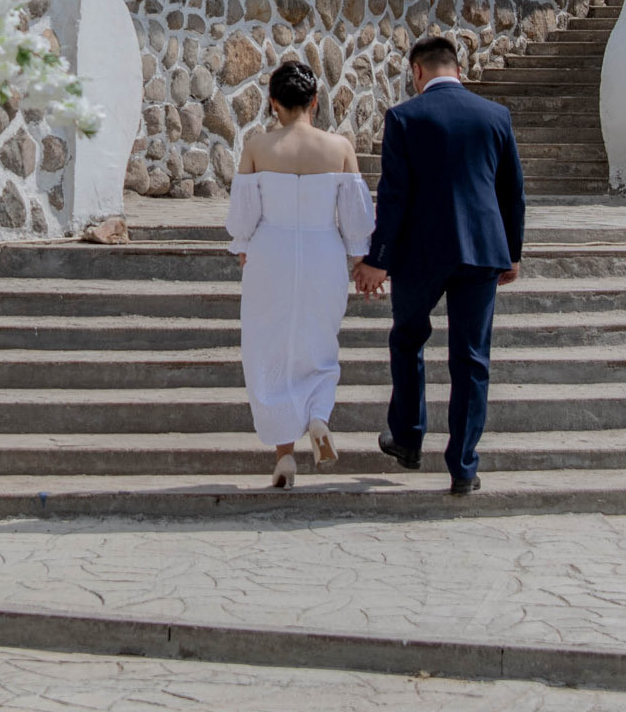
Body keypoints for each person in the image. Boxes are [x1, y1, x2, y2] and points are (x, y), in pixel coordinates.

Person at [354, 33, 525, 497]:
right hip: (482, 252)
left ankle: (408, 438)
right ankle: (463, 467)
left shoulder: (404, 117)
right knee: (472, 358)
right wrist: (511, 252)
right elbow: (512, 191)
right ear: (458, 68)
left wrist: (378, 260)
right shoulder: (496, 115)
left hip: (420, 253)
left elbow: (393, 196)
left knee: (408, 338)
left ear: (417, 71)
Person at [224, 57, 375, 487]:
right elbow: (356, 217)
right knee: (319, 343)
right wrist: (360, 259)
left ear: (273, 103)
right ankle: (318, 416)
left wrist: (242, 245)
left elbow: (242, 216)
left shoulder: (257, 147)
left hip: (270, 253)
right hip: (322, 250)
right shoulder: (339, 147)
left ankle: (284, 455)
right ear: (314, 101)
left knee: (268, 349)